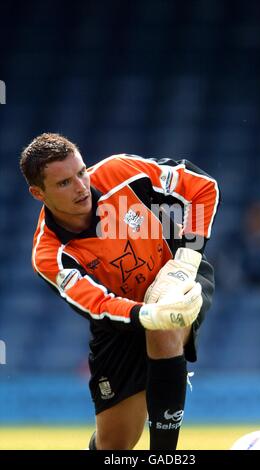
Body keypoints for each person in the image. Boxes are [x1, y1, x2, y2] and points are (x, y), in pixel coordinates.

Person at [19, 133, 220, 450]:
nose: (81, 187)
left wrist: (189, 255)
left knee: (165, 322)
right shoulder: (49, 255)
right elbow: (97, 304)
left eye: (81, 173)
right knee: (114, 445)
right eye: (63, 184)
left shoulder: (121, 171)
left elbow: (201, 187)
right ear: (37, 193)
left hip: (177, 274)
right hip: (119, 322)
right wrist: (146, 314)